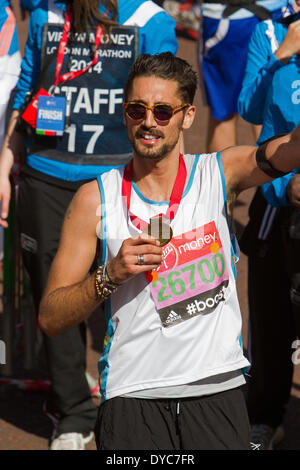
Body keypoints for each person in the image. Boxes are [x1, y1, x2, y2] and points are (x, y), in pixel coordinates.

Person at [39, 52, 300, 450]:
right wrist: (110, 275)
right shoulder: (95, 199)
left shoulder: (218, 174)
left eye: (163, 111)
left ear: (188, 116)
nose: (148, 122)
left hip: (218, 389)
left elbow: (288, 150)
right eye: (136, 109)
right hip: (133, 393)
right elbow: (51, 317)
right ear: (124, 113)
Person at [0, 0, 177, 451]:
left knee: (137, 293)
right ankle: (73, 411)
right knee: (55, 295)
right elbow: (26, 88)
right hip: (47, 177)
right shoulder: (45, 15)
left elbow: (172, 107)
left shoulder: (150, 21)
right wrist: (6, 156)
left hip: (121, 180)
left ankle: (138, 403)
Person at [237, 4, 300, 449]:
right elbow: (248, 108)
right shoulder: (268, 29)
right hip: (276, 202)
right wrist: (283, 53)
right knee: (270, 318)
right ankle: (264, 416)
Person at [197, 0, 297, 153]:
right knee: (267, 106)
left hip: (231, 18)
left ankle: (261, 173)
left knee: (224, 115)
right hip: (272, 10)